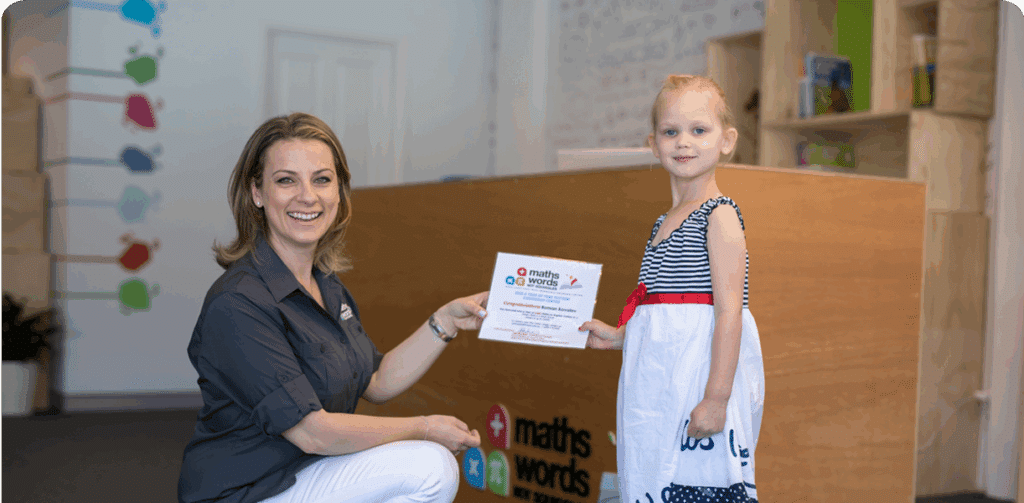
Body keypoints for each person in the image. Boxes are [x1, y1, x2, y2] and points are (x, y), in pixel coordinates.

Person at [178, 112, 488, 503]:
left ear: (338, 193)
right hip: (250, 492)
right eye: (286, 180)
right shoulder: (238, 303)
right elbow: (313, 432)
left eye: (322, 179)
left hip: (305, 472)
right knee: (429, 467)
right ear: (257, 193)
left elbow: (374, 381)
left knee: (426, 464)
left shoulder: (326, 284)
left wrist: (444, 322)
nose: (307, 196)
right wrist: (424, 427)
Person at [580, 75, 765, 503]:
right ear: (653, 143)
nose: (684, 142)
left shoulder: (719, 216)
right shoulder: (663, 224)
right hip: (658, 382)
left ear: (727, 140)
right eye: (671, 131)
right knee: (652, 473)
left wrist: (716, 398)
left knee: (700, 476)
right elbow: (660, 309)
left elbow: (728, 312)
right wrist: (620, 337)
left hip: (700, 376)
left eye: (699, 130)